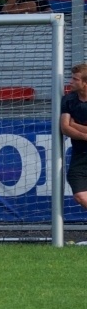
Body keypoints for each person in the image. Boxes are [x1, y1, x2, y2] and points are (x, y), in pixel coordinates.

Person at [60, 63, 87, 219]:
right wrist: (84, 136)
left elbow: (70, 125)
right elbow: (64, 127)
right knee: (80, 195)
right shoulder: (69, 100)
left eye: (75, 79)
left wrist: (74, 125)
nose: (71, 82)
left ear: (85, 83)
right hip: (80, 155)